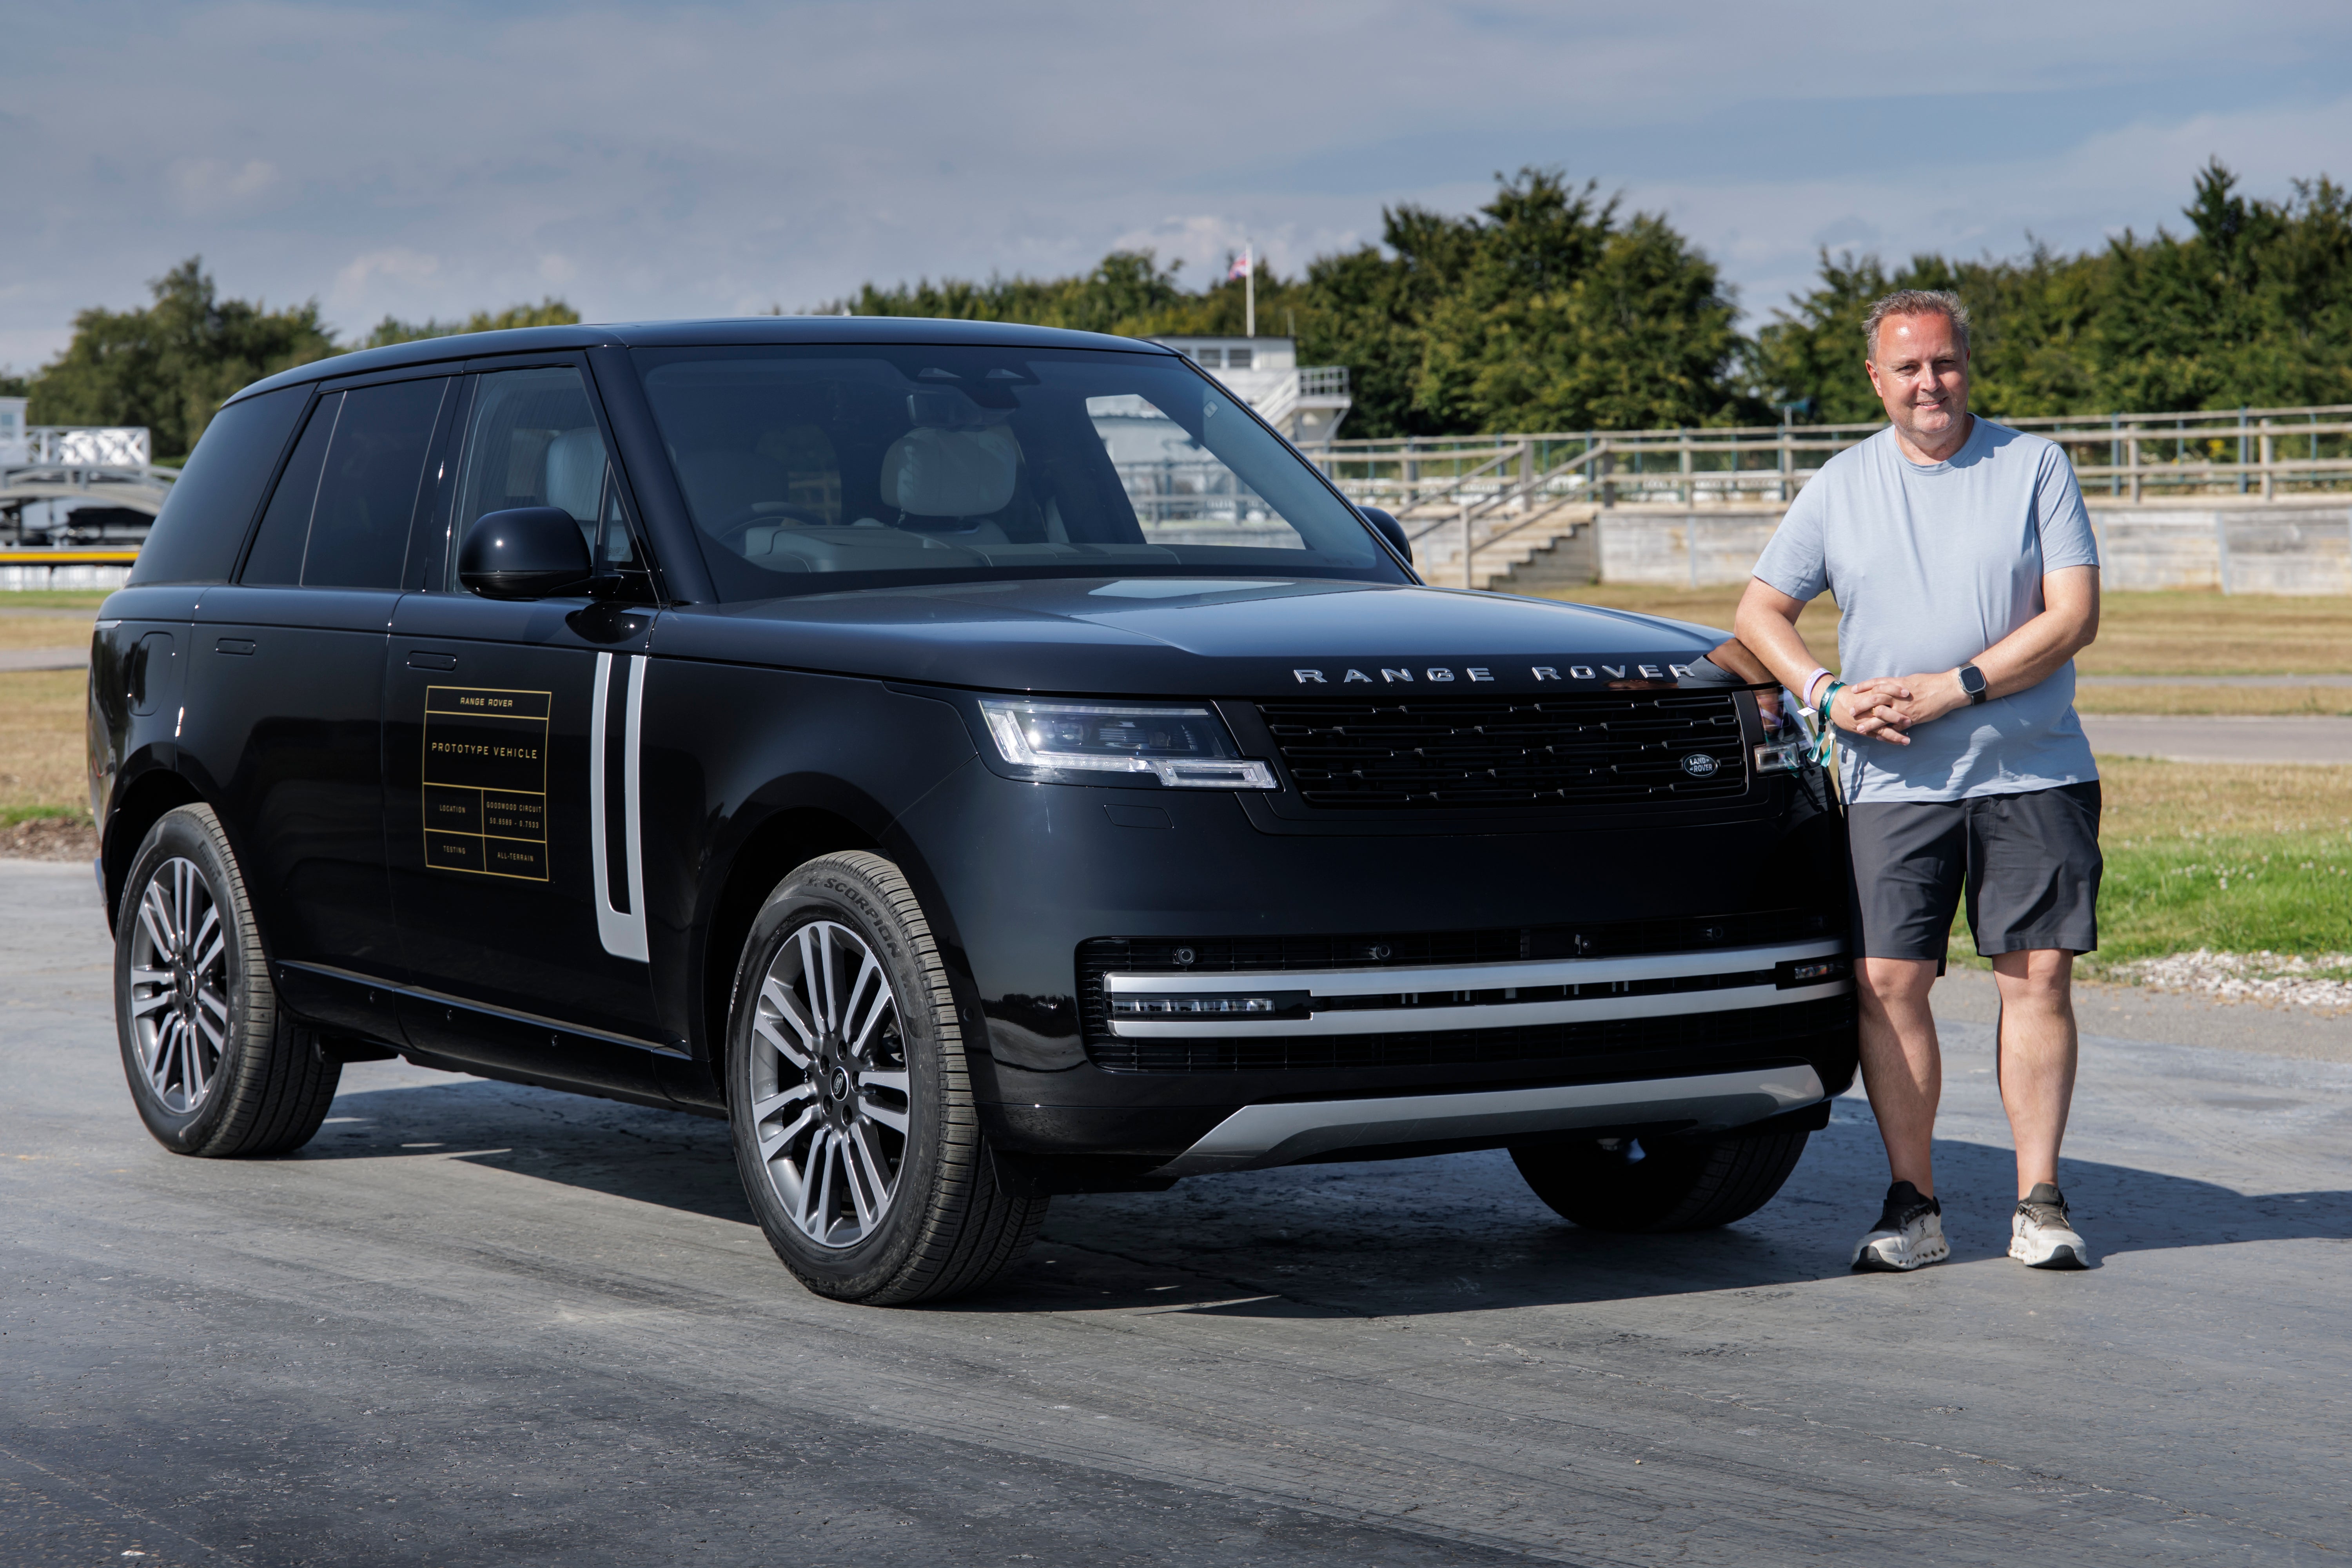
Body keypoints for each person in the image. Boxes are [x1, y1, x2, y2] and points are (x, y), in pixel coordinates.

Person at [1735, 289, 2103, 1273]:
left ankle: (2041, 1202)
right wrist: (1824, 693)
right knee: (1889, 981)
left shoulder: (2033, 465)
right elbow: (1762, 609)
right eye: (1908, 369)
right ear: (1876, 379)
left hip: (2031, 767)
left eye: (1943, 364)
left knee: (2037, 976)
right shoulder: (1842, 483)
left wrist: (1956, 687)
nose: (1928, 384)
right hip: (1891, 778)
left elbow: (2072, 617)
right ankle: (1914, 1206)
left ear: (1965, 365)